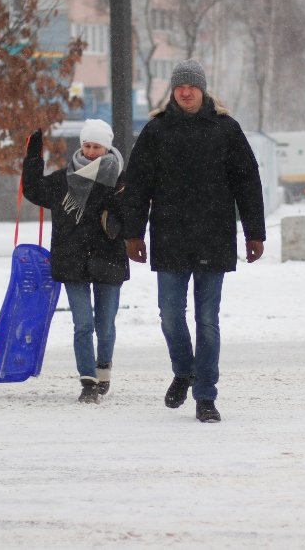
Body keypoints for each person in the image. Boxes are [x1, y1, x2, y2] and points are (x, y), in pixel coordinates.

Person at [123, 59, 266, 423]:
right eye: (179, 86)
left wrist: (255, 232)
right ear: (172, 90)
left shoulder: (226, 130)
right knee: (170, 316)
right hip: (170, 236)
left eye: (192, 85)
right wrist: (133, 233)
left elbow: (247, 182)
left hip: (213, 237)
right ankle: (183, 370)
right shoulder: (156, 132)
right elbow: (137, 186)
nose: (185, 91)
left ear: (203, 89)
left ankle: (205, 395)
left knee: (207, 320)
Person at [22, 119, 128, 403]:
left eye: (98, 146)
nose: (92, 151)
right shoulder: (62, 180)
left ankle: (103, 366)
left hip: (109, 258)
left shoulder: (120, 182)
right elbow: (32, 191)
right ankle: (87, 381)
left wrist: (119, 219)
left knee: (105, 324)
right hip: (72, 259)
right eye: (88, 145)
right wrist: (33, 157)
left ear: (107, 148)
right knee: (83, 324)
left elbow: (135, 214)